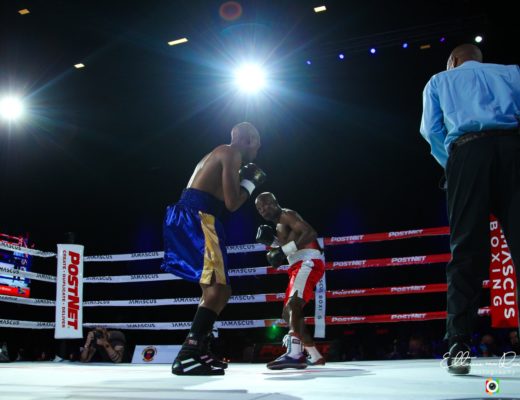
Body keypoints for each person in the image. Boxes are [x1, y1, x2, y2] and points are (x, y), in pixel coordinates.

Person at [420, 43, 520, 375]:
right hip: (514, 152)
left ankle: (459, 346)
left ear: (453, 61)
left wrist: (452, 165)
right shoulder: (512, 72)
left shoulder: (439, 80)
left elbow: (431, 130)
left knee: (466, 250)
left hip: (468, 153)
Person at [162, 122, 265, 375]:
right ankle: (187, 355)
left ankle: (199, 351)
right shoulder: (231, 152)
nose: (257, 152)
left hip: (192, 215)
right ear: (250, 140)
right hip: (199, 218)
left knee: (218, 290)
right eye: (257, 146)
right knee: (218, 289)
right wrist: (250, 184)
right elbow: (232, 203)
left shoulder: (218, 153)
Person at [255, 192, 325, 369]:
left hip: (307, 261)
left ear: (275, 202)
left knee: (294, 304)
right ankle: (314, 356)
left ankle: (295, 354)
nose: (264, 209)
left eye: (266, 204)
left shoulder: (287, 214)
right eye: (260, 208)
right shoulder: (278, 225)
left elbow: (310, 233)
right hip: (296, 265)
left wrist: (282, 251)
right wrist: (273, 243)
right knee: (288, 313)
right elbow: (287, 247)